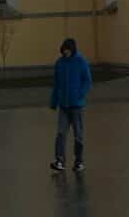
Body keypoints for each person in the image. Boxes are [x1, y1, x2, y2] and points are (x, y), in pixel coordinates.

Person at [49, 37, 92, 174]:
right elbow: (56, 84)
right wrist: (54, 101)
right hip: (63, 105)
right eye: (64, 50)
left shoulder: (81, 61)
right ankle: (60, 160)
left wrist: (80, 95)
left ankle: (79, 161)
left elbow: (87, 81)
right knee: (61, 133)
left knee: (78, 134)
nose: (66, 52)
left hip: (76, 106)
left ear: (73, 49)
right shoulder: (60, 63)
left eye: (68, 50)